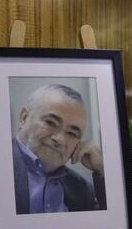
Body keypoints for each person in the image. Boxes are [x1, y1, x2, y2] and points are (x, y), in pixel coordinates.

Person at [12, 84, 105, 214]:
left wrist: (101, 170)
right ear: (24, 118)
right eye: (50, 123)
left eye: (72, 133)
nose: (60, 139)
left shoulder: (82, 190)